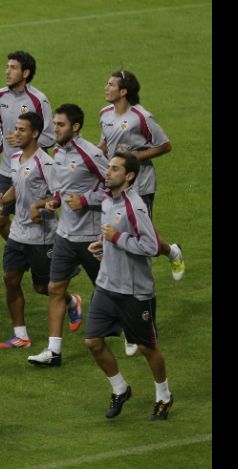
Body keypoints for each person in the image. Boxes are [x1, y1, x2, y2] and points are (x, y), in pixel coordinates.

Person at [84, 152, 173, 420]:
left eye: (115, 169)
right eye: (109, 167)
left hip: (134, 292)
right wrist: (103, 244)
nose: (108, 172)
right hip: (106, 286)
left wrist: (117, 238)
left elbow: (151, 246)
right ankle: (120, 389)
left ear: (129, 176)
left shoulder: (135, 206)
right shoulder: (107, 200)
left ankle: (164, 396)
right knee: (92, 341)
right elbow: (112, 234)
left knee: (146, 348)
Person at [24, 104, 108, 362]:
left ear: (76, 127)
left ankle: (135, 331)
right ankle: (54, 351)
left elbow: (115, 187)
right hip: (65, 235)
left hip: (91, 237)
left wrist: (85, 200)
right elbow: (64, 187)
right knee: (55, 288)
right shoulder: (58, 152)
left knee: (108, 289)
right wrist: (56, 201)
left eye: (61, 125)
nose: (55, 129)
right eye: (55, 124)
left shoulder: (90, 154)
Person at [98, 70, 184, 281]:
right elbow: (105, 143)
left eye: (111, 85)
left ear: (123, 91)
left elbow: (164, 145)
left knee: (144, 234)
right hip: (116, 181)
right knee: (117, 226)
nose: (106, 88)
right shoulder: (104, 114)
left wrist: (135, 156)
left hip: (141, 184)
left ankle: (171, 254)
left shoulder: (141, 117)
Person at [0, 112, 58, 358]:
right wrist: (5, 198)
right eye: (16, 129)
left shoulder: (46, 163)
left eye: (22, 130)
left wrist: (37, 205)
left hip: (42, 235)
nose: (16, 133)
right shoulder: (15, 158)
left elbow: (59, 195)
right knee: (10, 279)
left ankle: (70, 301)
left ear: (35, 134)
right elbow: (17, 184)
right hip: (18, 232)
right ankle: (20, 336)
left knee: (42, 287)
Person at [0, 51, 55, 242]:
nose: (7, 71)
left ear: (25, 73)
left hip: (32, 171)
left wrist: (24, 141)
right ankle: (17, 249)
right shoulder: (0, 96)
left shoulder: (38, 100)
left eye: (13, 68)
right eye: (7, 67)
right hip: (6, 168)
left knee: (35, 220)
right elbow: (0, 127)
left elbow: (50, 136)